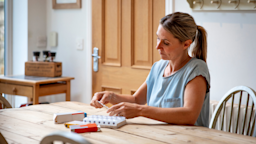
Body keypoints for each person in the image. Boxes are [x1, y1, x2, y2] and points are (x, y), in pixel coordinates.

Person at [90, 12, 210, 127]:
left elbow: (189, 115)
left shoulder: (196, 69)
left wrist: (140, 110)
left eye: (166, 43)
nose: (157, 46)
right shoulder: (158, 67)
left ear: (186, 44)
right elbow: (137, 100)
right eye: (158, 38)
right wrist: (111, 96)